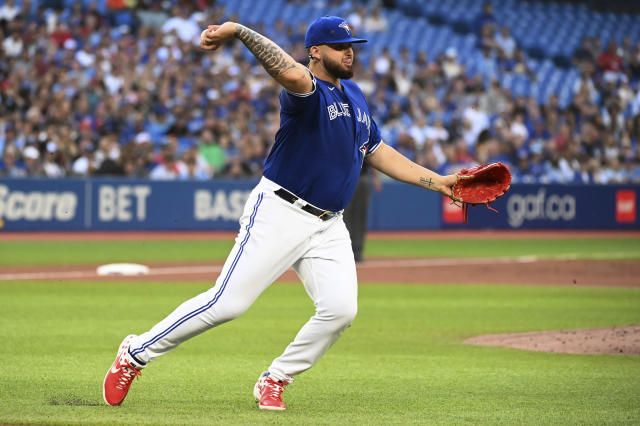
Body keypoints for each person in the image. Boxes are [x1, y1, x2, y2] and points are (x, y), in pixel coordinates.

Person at [103, 16, 462, 411]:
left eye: (351, 45)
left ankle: (276, 377)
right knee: (228, 304)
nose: (349, 52)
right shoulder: (307, 92)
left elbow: (378, 152)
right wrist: (239, 30)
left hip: (329, 224)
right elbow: (289, 73)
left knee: (341, 310)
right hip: (281, 211)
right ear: (315, 52)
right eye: (339, 46)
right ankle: (135, 353)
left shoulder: (355, 94)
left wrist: (439, 182)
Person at [342, 162, 382, 262]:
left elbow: (373, 156)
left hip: (362, 177)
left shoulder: (363, 145)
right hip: (347, 178)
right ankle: (346, 251)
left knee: (360, 216)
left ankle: (357, 252)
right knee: (346, 217)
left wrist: (376, 178)